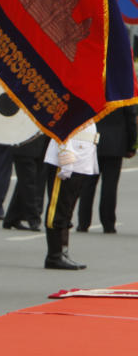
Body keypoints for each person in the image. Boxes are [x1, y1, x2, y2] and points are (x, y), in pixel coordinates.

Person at [43, 122, 97, 269]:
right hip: (68, 159)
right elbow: (61, 125)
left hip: (82, 159)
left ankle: (63, 252)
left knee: (67, 209)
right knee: (58, 207)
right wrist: (65, 153)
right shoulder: (72, 99)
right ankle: (54, 256)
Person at [76, 104, 136, 233]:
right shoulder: (122, 93)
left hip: (92, 142)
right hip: (115, 143)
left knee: (87, 185)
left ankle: (83, 222)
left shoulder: (93, 88)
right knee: (110, 186)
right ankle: (108, 223)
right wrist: (132, 146)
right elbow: (131, 119)